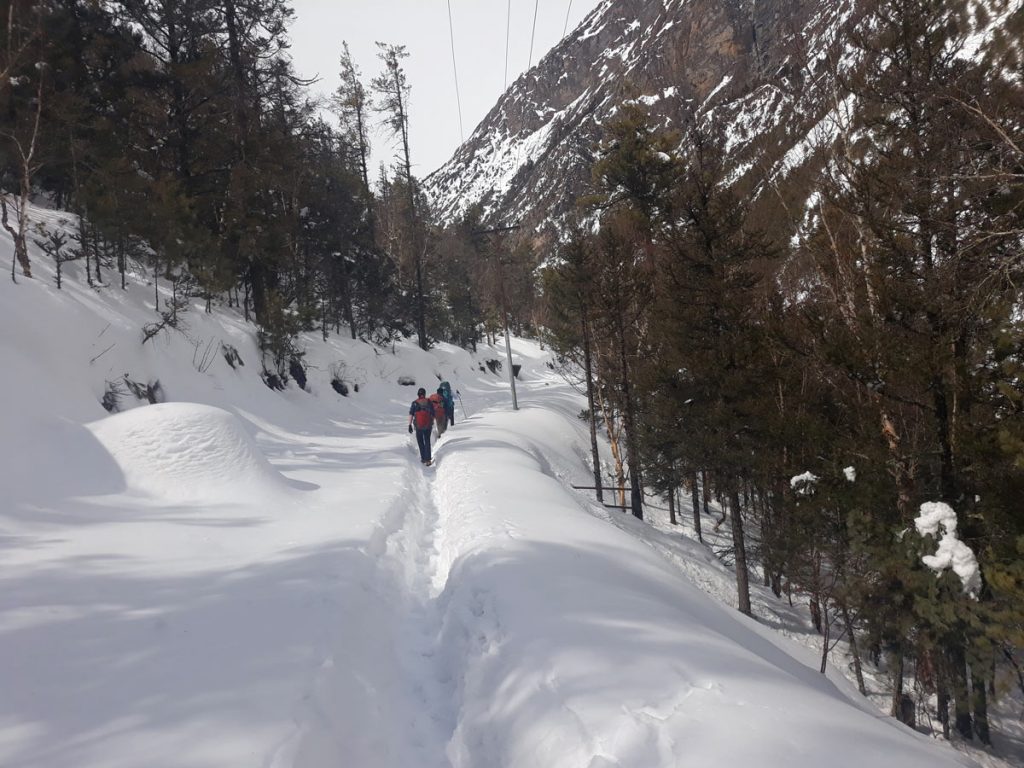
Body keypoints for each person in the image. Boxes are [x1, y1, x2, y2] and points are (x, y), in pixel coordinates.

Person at [408, 387, 434, 465]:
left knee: (420, 441)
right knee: (427, 441)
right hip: (428, 425)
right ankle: (428, 460)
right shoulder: (429, 402)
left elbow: (411, 414)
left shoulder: (415, 403)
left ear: (418, 394)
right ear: (425, 394)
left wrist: (409, 425)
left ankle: (423, 458)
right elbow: (433, 413)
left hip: (418, 426)